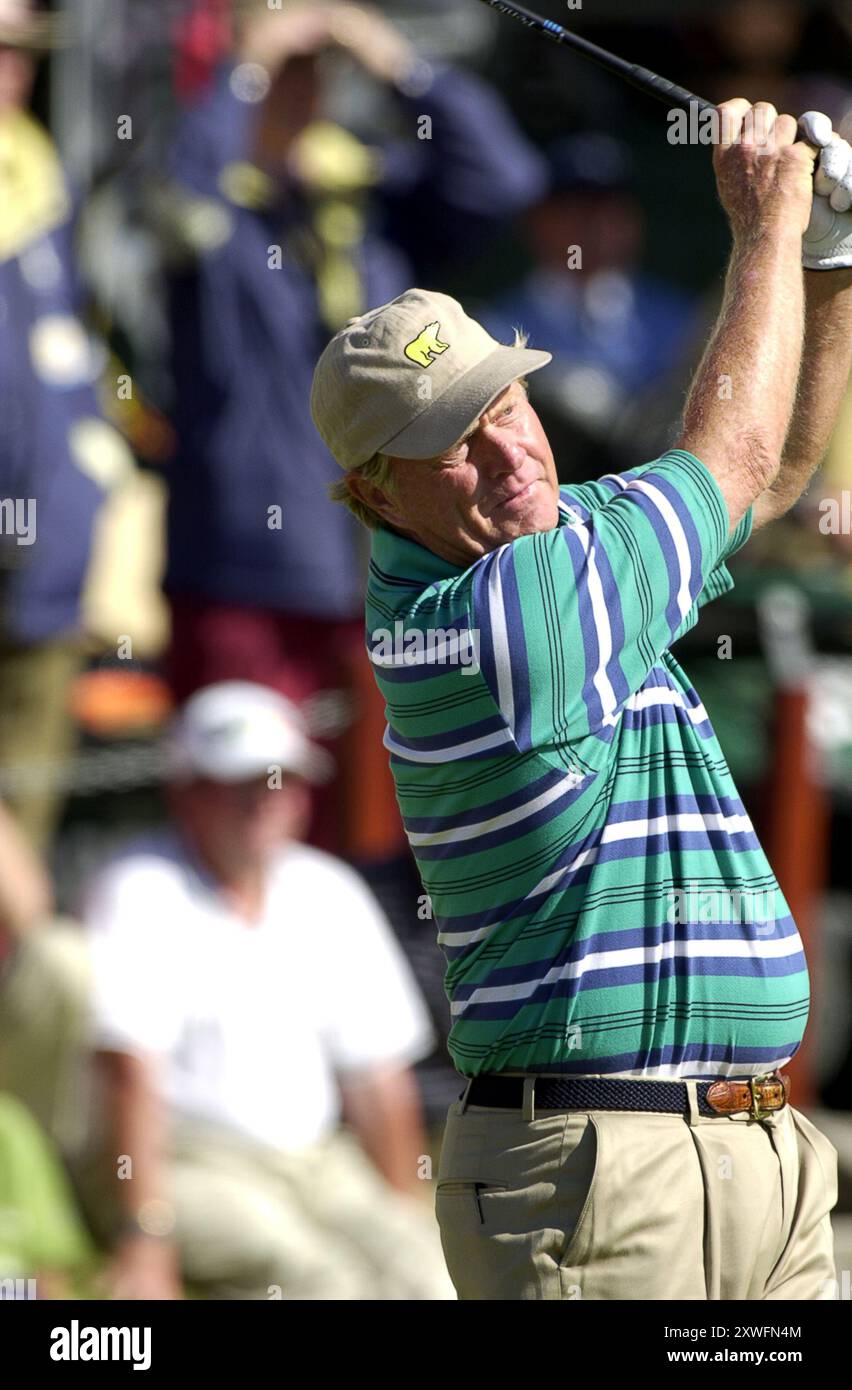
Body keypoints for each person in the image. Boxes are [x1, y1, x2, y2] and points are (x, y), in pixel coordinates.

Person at [310, 103, 852, 1300]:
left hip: (758, 1155)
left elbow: (774, 481)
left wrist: (828, 262)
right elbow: (740, 461)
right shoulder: (503, 617)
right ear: (375, 496)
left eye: (506, 404)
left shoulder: (565, 542)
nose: (510, 453)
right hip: (599, 1177)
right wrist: (768, 224)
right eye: (454, 444)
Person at [153, 0, 546, 857]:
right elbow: (177, 191)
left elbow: (504, 180)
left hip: (378, 574)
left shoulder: (367, 215)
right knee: (240, 826)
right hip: (245, 576)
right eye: (276, 78)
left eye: (313, 75)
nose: (298, 94)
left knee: (371, 827)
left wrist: (401, 68)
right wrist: (246, 65)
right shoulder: (214, 221)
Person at [81, 681, 453, 1300]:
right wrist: (145, 1240)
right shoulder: (137, 888)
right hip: (191, 1163)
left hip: (319, 1163)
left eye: (282, 779)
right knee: (319, 1278)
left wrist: (401, 1213)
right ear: (187, 793)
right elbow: (129, 1072)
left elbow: (378, 1080)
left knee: (433, 1274)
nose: (266, 800)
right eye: (241, 782)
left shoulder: (328, 889)